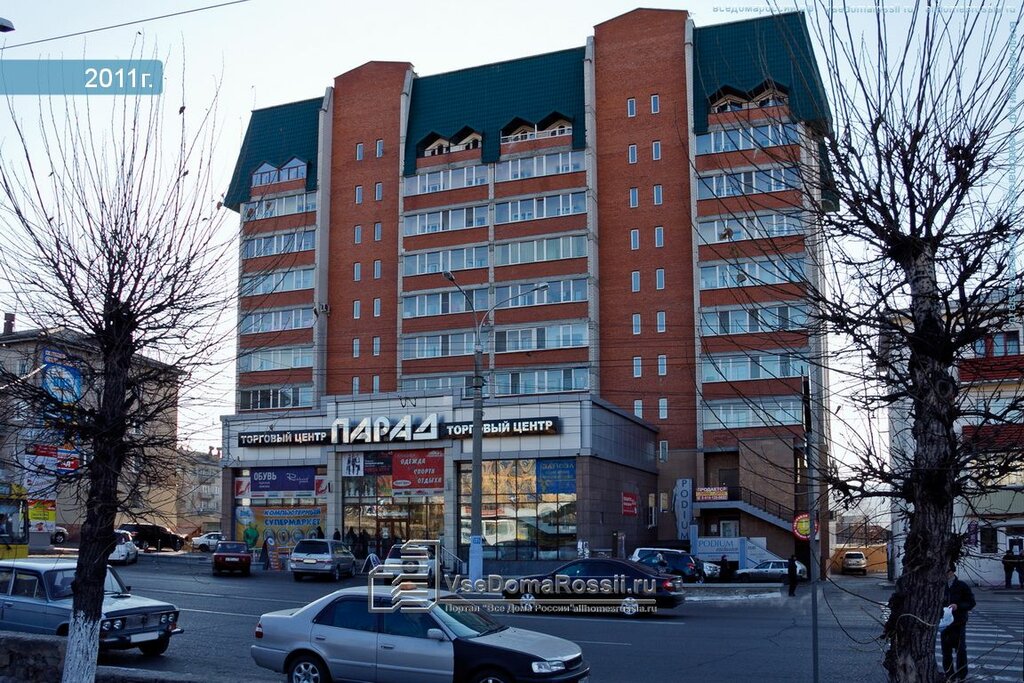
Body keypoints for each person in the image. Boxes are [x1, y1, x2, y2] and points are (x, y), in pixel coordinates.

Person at [941, 564, 976, 682]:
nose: (944, 574)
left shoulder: (961, 585)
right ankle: (949, 674)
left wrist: (958, 606)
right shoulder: (940, 586)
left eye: (946, 571)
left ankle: (961, 675)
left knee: (960, 650)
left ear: (952, 572)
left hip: (958, 623)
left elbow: (971, 602)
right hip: (945, 623)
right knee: (946, 651)